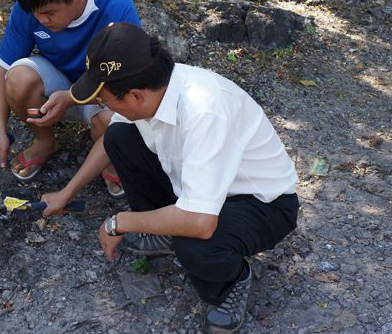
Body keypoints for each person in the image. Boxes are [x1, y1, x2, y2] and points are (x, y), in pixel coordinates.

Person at [67, 22, 299, 334]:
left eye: (103, 101)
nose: (102, 106)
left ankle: (231, 281)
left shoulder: (204, 109)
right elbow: (111, 137)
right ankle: (166, 232)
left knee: (194, 242)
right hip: (201, 190)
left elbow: (200, 222)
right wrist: (67, 193)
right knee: (118, 136)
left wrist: (118, 222)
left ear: (136, 96)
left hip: (263, 204)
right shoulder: (156, 88)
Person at [0, 0, 140, 200]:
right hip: (56, 86)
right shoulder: (31, 9)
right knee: (16, 78)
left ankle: (110, 157)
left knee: (118, 119)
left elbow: (129, 81)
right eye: (36, 14)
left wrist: (71, 97)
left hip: (102, 95)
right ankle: (45, 142)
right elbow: (2, 68)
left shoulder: (115, 7)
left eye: (49, 13)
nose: (41, 20)